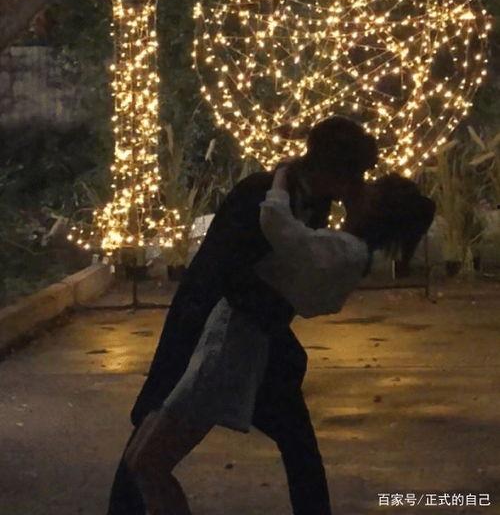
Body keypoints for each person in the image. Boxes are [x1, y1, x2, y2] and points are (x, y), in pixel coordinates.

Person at [122, 166, 436, 515]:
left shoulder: (339, 251)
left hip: (227, 351)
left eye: (371, 188)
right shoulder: (344, 251)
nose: (360, 186)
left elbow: (276, 223)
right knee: (144, 460)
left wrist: (283, 176)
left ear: (376, 210)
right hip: (231, 344)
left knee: (148, 464)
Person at [107, 116, 379, 515]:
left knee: (294, 441)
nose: (357, 185)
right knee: (154, 428)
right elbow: (222, 272)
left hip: (258, 334)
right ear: (333, 171)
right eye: (354, 175)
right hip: (210, 327)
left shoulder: (309, 200)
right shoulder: (260, 194)